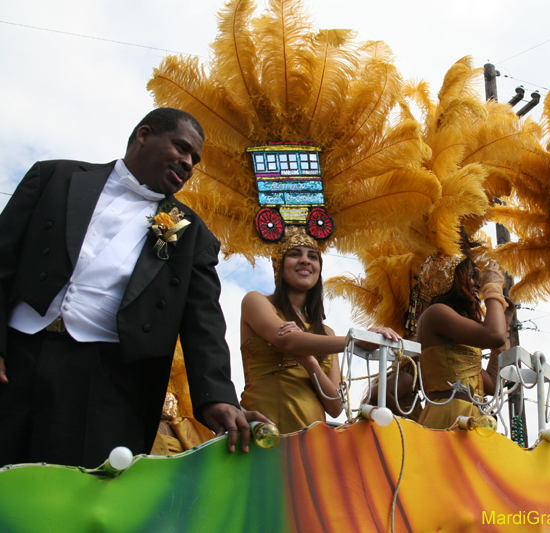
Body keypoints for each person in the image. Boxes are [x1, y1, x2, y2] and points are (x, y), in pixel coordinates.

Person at [0, 108, 267, 469]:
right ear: (144, 135)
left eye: (195, 159)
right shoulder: (54, 177)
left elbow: (203, 321)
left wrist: (218, 398)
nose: (189, 163)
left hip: (101, 383)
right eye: (182, 148)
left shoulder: (190, 232)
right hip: (15, 356)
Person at [239, 226, 400, 434]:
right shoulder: (255, 301)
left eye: (313, 257)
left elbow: (335, 407)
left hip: (313, 441)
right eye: (295, 254)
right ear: (279, 265)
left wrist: (310, 363)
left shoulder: (326, 333)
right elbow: (287, 341)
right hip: (263, 433)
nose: (305, 260)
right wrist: (355, 341)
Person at [415, 253, 508, 429]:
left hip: (471, 417)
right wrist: (493, 288)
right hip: (449, 416)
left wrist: (505, 319)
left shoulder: (453, 330)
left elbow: (492, 384)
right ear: (449, 278)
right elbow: (495, 335)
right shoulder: (436, 313)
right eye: (471, 277)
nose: (478, 284)